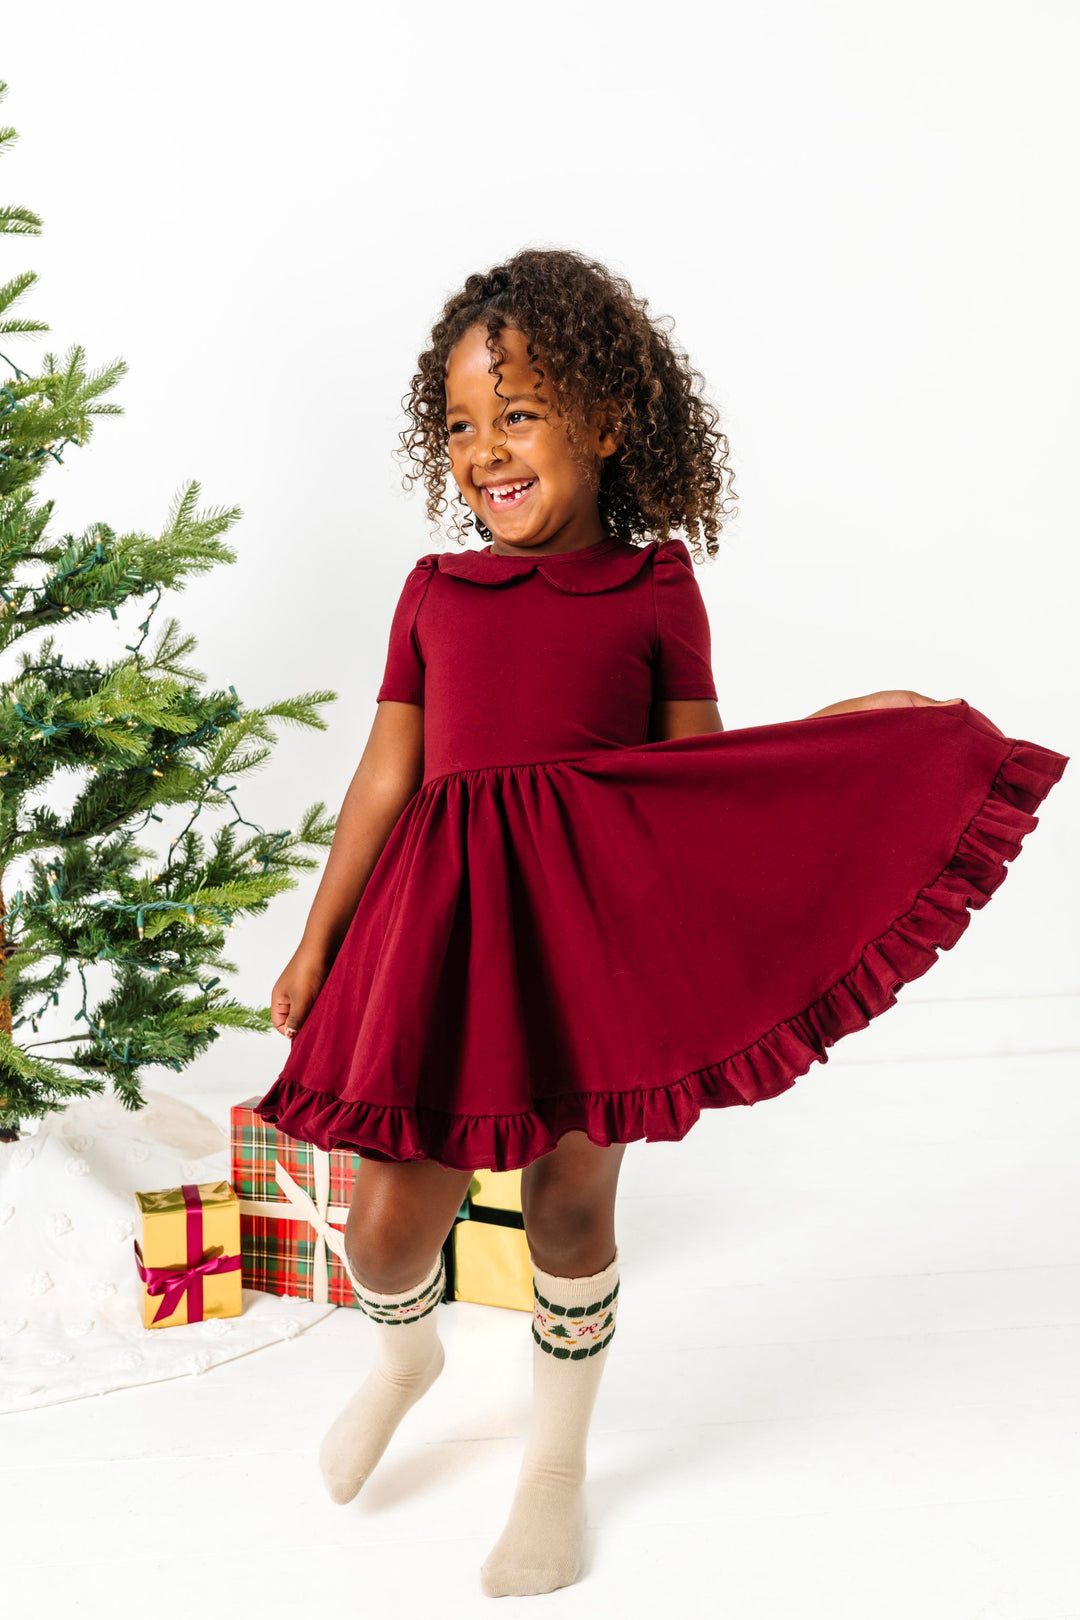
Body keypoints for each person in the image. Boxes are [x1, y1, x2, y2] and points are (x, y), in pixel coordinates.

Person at [256, 247, 1068, 1599]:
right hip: (446, 934)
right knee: (388, 1230)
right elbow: (388, 773)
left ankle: (554, 1471)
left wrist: (843, 742)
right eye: (461, 425)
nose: (485, 451)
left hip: (590, 942)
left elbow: (699, 786)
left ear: (607, 423)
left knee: (572, 1203)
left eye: (518, 413)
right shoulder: (433, 594)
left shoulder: (653, 589)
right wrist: (317, 938)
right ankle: (409, 1358)